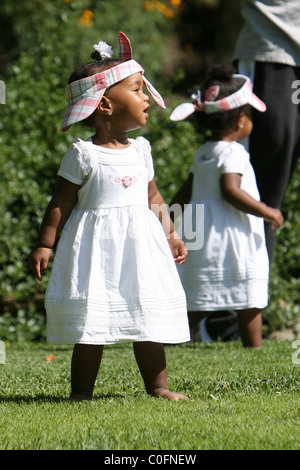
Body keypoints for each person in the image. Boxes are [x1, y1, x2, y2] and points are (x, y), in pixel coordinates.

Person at [29, 32, 190, 401]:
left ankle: (159, 386)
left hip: (141, 251)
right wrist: (44, 243)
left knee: (147, 315)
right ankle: (81, 392)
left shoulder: (142, 150)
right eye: (136, 90)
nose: (146, 97)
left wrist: (172, 233)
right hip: (96, 253)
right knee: (92, 323)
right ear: (104, 105)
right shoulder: (83, 155)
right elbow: (60, 204)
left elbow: (153, 197)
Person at [169, 65, 283, 348]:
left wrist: (167, 221)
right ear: (241, 120)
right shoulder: (234, 152)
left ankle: (171, 337)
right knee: (247, 294)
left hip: (202, 235)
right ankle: (253, 345)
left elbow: (185, 192)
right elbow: (230, 191)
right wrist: (267, 210)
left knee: (199, 292)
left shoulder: (204, 151)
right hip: (232, 234)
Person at [232, 0, 300, 264]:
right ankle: (233, 298)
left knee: (271, 196)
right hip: (271, 52)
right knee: (253, 186)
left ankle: (256, 295)